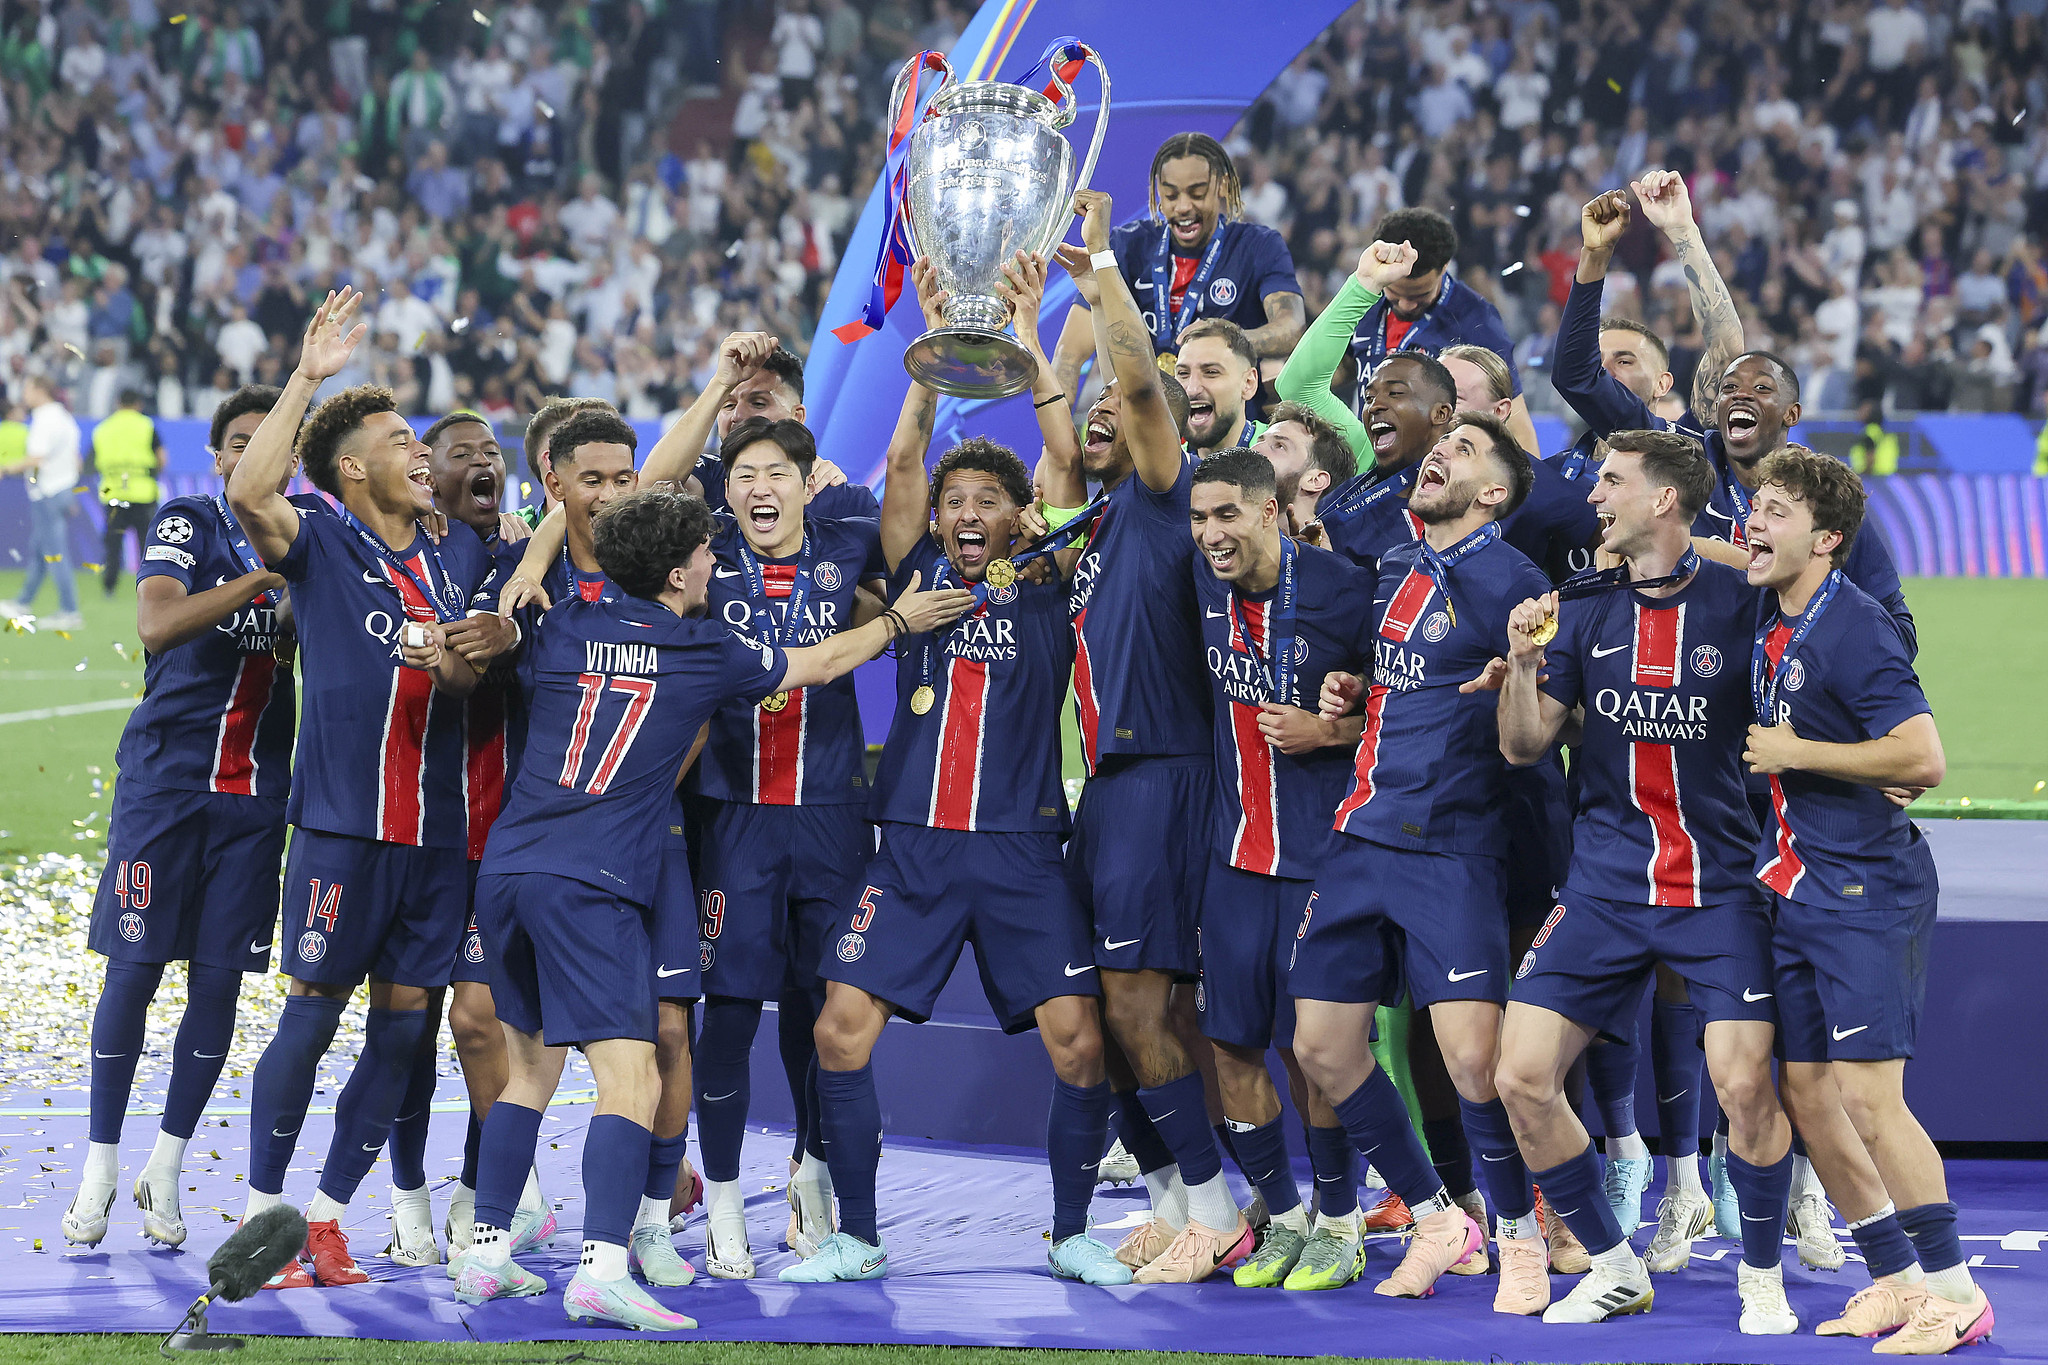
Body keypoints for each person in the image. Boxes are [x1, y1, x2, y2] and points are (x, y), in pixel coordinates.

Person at [454, 488, 968, 1328]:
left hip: (509, 870)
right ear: (674, 571)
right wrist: (901, 622)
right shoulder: (704, 648)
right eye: (703, 552)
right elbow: (820, 665)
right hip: (593, 884)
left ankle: (483, 1255)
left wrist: (549, 532)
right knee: (632, 1076)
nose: (714, 563)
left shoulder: (569, 622)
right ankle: (603, 1267)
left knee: (530, 1069)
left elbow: (571, 560)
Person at [787, 252, 1125, 1288]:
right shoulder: (917, 572)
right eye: (955, 501)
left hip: (1024, 851)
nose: (968, 514)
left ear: (1018, 515)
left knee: (1077, 1047)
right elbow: (899, 467)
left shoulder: (1044, 574)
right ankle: (855, 1233)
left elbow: (1064, 464)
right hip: (914, 852)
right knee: (840, 1032)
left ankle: (1070, 1231)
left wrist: (1025, 338)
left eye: (989, 499)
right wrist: (933, 356)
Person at [225, 289, 514, 1287]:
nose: (420, 453)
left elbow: (474, 668)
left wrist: (473, 653)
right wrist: (308, 378)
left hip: (438, 841)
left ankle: (328, 1220)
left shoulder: (457, 554)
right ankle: (261, 1217)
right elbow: (249, 497)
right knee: (309, 1020)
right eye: (400, 441)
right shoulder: (323, 540)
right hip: (346, 829)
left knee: (403, 1035)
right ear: (354, 468)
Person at [1486, 429, 1798, 1331]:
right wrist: (1528, 664)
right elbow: (1521, 744)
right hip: (1603, 891)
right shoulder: (1580, 607)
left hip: (1718, 888)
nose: (1592, 496)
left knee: (1743, 1086)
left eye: (1611, 482)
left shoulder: (1743, 601)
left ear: (1664, 500)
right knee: (1522, 1074)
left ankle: (1762, 1275)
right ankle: (1615, 1263)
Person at [1295, 412, 1549, 1306]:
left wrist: (1515, 672)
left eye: (1466, 450)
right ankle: (1441, 1217)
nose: (1439, 452)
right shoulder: (1398, 563)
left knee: (1475, 1064)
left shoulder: (1516, 583)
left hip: (1450, 847)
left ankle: (1519, 1237)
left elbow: (1529, 721)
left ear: (1494, 494)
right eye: (1444, 444)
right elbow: (1403, 675)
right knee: (1321, 1046)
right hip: (1359, 835)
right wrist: (1355, 687)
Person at [1741, 449, 1992, 1356]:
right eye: (1753, 507)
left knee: (1869, 1098)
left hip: (1864, 892)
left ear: (1829, 538)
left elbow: (1922, 758)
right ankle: (1893, 1276)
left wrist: (1801, 752)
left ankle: (1956, 1292)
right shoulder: (1776, 611)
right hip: (1798, 886)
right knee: (1808, 1092)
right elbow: (1724, 558)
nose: (1754, 523)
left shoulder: (1856, 627)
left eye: (1775, 511)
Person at [1045, 189, 1250, 1282]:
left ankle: (1215, 1205)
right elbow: (1071, 408)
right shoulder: (1104, 516)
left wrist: (1103, 283)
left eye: (1117, 412)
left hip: (1164, 776)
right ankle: (1182, 1200)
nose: (1100, 415)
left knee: (1138, 1001)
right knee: (1126, 1005)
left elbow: (1132, 381)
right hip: (1115, 786)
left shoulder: (1171, 494)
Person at [59, 386, 301, 1252]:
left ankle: (166, 1163)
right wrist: (263, 581)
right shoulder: (189, 520)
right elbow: (157, 621)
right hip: (165, 786)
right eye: (240, 441)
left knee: (220, 981)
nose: (253, 455)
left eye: (271, 442)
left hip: (254, 798)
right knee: (132, 970)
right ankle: (99, 1163)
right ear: (218, 453)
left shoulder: (305, 537)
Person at [683, 413, 891, 1279]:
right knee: (728, 1013)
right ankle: (725, 1202)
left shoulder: (851, 542)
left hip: (831, 818)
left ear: (811, 484)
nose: (760, 488)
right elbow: (637, 491)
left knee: (820, 1008)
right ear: (724, 489)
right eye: (744, 475)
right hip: (733, 817)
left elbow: (911, 505)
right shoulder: (701, 555)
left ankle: (811, 1174)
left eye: (777, 473)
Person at [1184, 447, 1375, 1291]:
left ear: (1271, 510)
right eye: (1199, 518)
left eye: (1226, 514)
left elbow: (1398, 702)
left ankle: (1341, 1220)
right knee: (1227, 1042)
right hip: (1234, 856)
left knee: (1316, 1052)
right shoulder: (1201, 587)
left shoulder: (1342, 587)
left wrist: (1330, 730)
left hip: (1319, 859)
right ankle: (1285, 1214)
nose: (1210, 534)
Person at [381, 410, 555, 1269]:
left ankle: (488, 1192)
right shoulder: (416, 557)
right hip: (416, 833)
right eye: (463, 455)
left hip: (502, 837)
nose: (484, 464)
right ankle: (408, 1191)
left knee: (480, 1019)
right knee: (403, 1027)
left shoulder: (531, 560)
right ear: (430, 477)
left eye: (494, 454)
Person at [1052, 132, 1304, 393]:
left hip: (1226, 423)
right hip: (1144, 420)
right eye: (1171, 196)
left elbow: (1291, 327)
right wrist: (1054, 434)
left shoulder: (1258, 246)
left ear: (1223, 185)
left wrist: (1226, 337)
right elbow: (1069, 356)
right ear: (1158, 192)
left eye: (1196, 193)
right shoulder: (1126, 246)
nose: (1183, 207)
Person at [1344, 208, 1540, 455]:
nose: (1405, 305)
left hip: (1431, 469)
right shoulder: (1364, 300)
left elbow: (1515, 420)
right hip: (1365, 461)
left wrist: (1532, 492)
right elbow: (1339, 369)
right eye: (1394, 293)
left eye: (1419, 296)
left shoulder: (1477, 322)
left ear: (1445, 267)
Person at [5, 374, 85, 630]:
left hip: (48, 492)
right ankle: (23, 601)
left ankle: (70, 611)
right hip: (59, 489)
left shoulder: (45, 419)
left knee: (54, 554)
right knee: (41, 551)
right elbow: (75, 458)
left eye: (27, 388)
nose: (24, 395)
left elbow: (36, 458)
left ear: (40, 390)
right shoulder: (64, 418)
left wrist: (6, 468)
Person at [90, 390, 166, 597]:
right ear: (138, 404)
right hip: (143, 494)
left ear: (117, 402)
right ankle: (148, 588)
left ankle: (109, 587)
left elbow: (90, 461)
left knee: (113, 544)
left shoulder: (103, 428)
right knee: (147, 546)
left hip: (113, 494)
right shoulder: (147, 425)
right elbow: (161, 458)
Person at [1251, 401, 1354, 534]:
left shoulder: (1333, 552)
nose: (1254, 449)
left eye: (1279, 445)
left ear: (1315, 481)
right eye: (1260, 441)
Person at [1174, 318, 1264, 455]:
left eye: (1211, 372)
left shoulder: (1282, 453)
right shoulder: (1169, 464)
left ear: (1248, 383)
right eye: (1183, 373)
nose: (1192, 389)